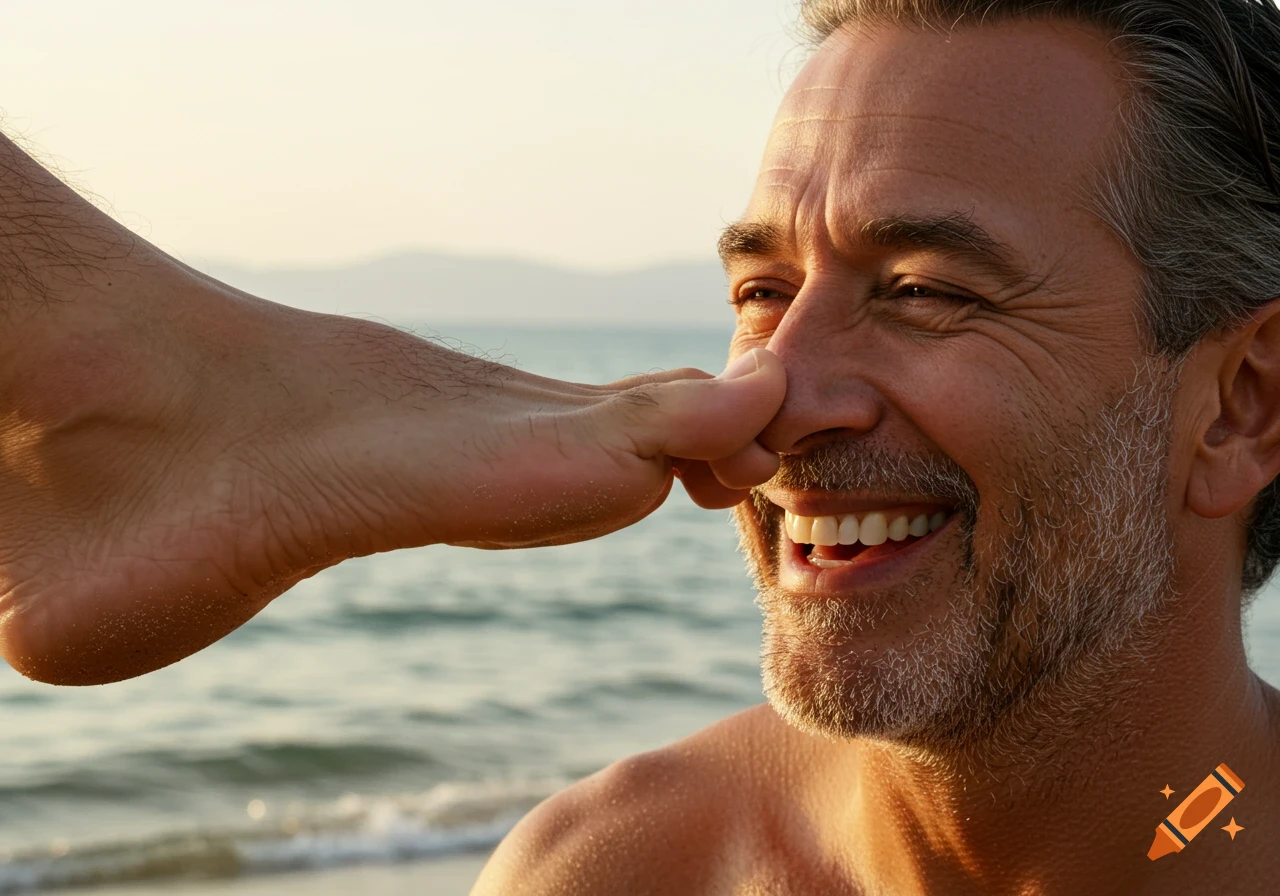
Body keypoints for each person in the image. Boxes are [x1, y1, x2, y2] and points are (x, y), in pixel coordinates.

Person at [2, 0, 1279, 893]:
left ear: (1241, 404)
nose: (782, 394)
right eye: (761, 292)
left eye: (926, 289)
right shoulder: (616, 868)